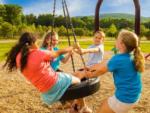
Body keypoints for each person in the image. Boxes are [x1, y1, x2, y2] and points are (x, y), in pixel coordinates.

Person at [3, 32, 92, 113]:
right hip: (54, 82)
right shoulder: (39, 53)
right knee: (78, 81)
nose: (37, 45)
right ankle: (82, 106)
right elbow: (58, 52)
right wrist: (73, 46)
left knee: (70, 77)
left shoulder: (19, 57)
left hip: (45, 90)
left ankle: (74, 107)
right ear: (32, 43)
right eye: (36, 43)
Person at [78, 29, 145, 113]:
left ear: (122, 45)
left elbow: (101, 71)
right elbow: (104, 64)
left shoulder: (118, 59)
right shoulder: (131, 56)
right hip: (134, 95)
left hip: (125, 99)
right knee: (105, 103)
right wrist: (90, 68)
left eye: (117, 39)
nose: (115, 40)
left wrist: (89, 75)